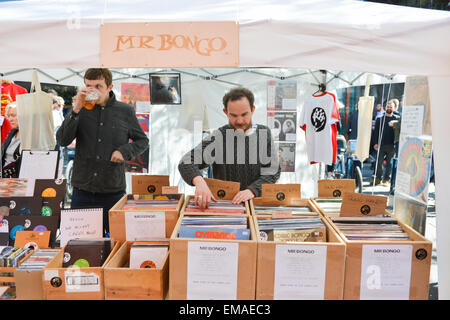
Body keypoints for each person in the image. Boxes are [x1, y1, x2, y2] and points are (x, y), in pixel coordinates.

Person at [56, 68, 149, 235]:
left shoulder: (125, 111)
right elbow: (62, 140)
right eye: (88, 85)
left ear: (110, 87)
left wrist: (124, 151)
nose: (92, 90)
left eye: (98, 86)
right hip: (82, 190)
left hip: (112, 190)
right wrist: (76, 109)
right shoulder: (80, 109)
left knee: (115, 242)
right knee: (80, 245)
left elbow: (143, 141)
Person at [178, 87, 281, 209]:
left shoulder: (264, 133)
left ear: (252, 110)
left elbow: (273, 171)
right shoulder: (219, 137)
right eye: (233, 115)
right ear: (225, 112)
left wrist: (252, 190)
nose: (239, 120)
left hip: (257, 207)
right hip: (226, 208)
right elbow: (186, 162)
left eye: (244, 114)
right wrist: (200, 181)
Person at [372, 99, 400, 186]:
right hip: (381, 144)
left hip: (392, 145)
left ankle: (386, 180)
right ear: (385, 108)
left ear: (394, 108)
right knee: (378, 162)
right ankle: (378, 178)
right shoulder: (380, 119)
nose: (389, 108)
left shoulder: (396, 119)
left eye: (391, 107)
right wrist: (375, 143)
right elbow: (375, 132)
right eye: (388, 106)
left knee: (389, 163)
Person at [1, 102, 21, 178]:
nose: (10, 119)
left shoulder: (30, 136)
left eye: (13, 115)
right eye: (8, 116)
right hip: (5, 177)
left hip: (17, 180)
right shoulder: (12, 132)